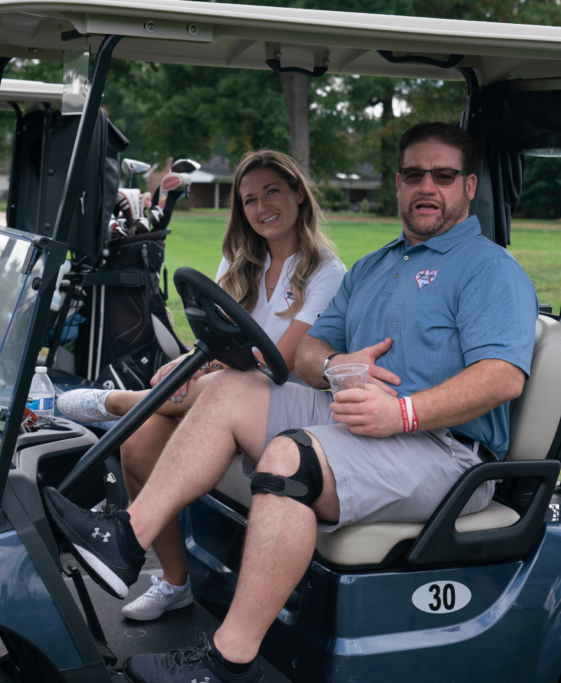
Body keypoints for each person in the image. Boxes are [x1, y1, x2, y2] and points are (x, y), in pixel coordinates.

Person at [42, 122, 539, 683]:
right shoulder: (377, 266)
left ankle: (229, 662)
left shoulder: (489, 269)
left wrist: (404, 411)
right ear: (398, 184)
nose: (428, 187)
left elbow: (501, 378)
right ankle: (128, 538)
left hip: (441, 450)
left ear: (469, 186)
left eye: (443, 176)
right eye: (415, 175)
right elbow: (309, 351)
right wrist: (336, 367)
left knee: (289, 458)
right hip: (360, 420)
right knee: (230, 389)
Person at [56, 149, 346, 621]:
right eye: (249, 199)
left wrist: (207, 371)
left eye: (272, 191)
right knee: (141, 440)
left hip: (287, 412)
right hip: (229, 398)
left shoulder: (326, 274)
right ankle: (175, 582)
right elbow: (215, 344)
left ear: (298, 193)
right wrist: (189, 366)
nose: (261, 207)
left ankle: (113, 402)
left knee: (203, 392)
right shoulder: (238, 264)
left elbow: (282, 363)